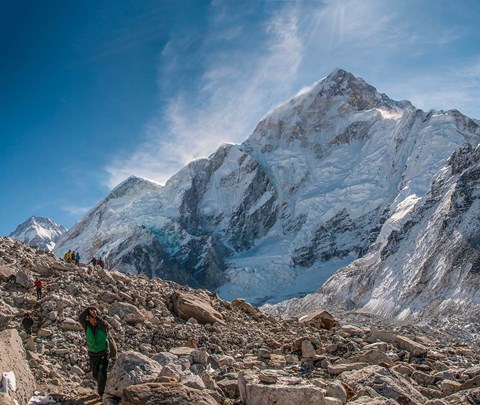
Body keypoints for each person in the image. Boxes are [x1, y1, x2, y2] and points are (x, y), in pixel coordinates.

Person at [78, 306, 110, 397]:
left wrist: (96, 316)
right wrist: (89, 309)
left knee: (102, 371)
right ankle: (101, 386)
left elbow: (104, 325)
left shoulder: (103, 325)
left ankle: (101, 392)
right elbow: (80, 318)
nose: (93, 321)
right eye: (91, 318)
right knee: (95, 374)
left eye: (94, 318)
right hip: (92, 354)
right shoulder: (86, 325)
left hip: (103, 353)